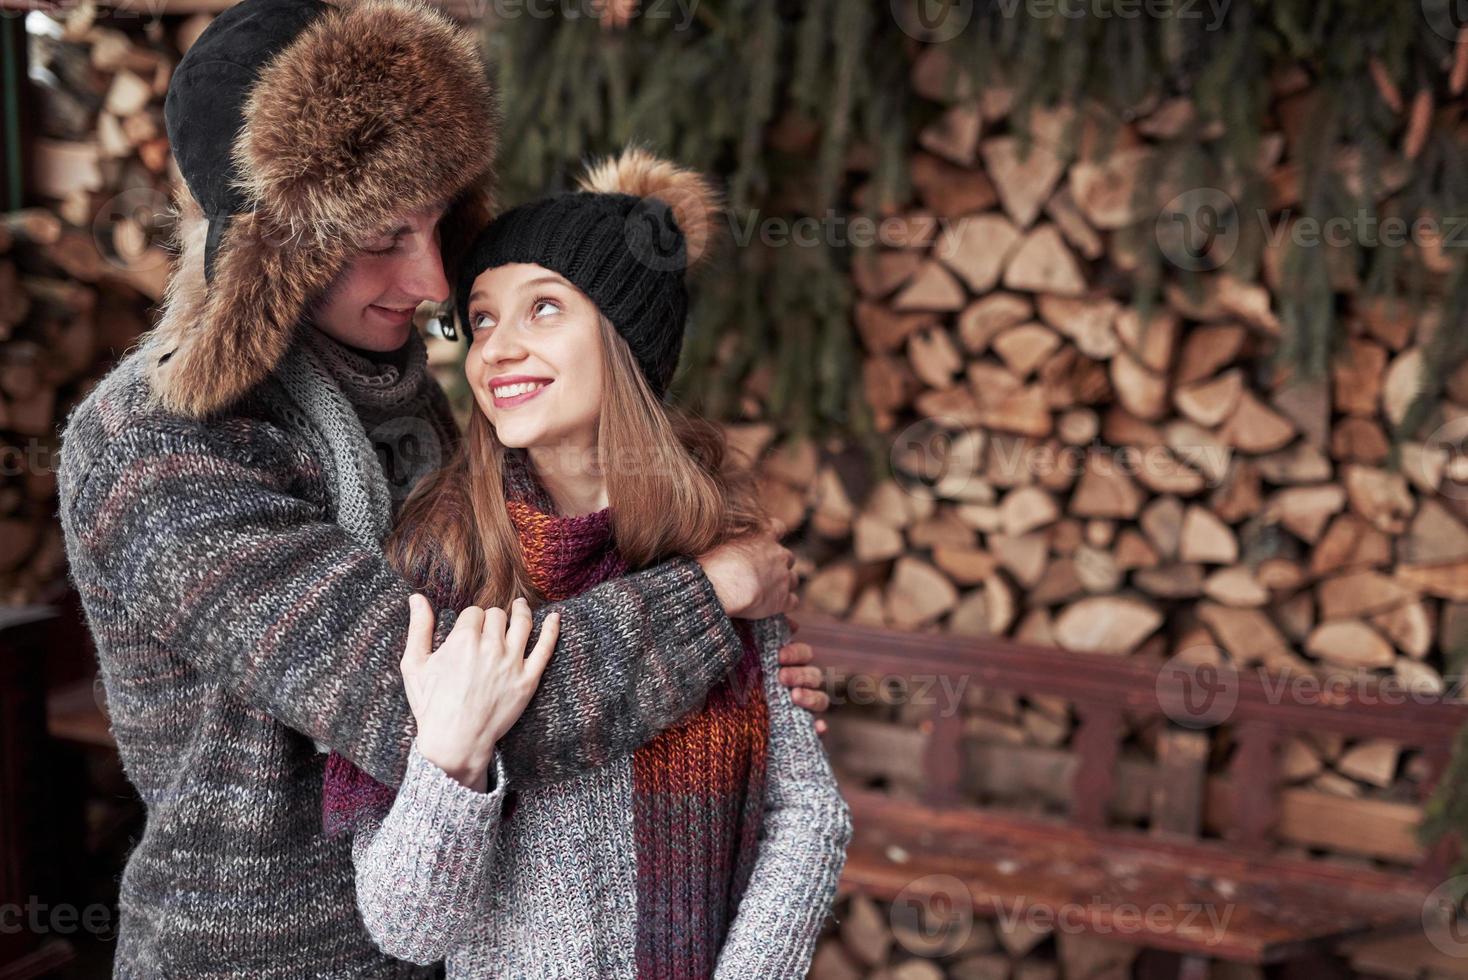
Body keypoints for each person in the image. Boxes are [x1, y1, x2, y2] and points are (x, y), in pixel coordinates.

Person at [55, 2, 825, 976]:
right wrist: (711, 597)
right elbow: (444, 703)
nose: (429, 280)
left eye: (436, 222)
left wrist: (740, 692)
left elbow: (534, 606)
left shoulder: (404, 396)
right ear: (271, 248)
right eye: (381, 232)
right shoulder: (157, 447)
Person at [323, 145, 850, 978]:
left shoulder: (719, 538)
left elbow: (806, 814)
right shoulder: (444, 559)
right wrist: (452, 766)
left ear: (626, 342)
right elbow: (403, 922)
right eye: (483, 318)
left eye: (543, 309)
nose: (494, 348)